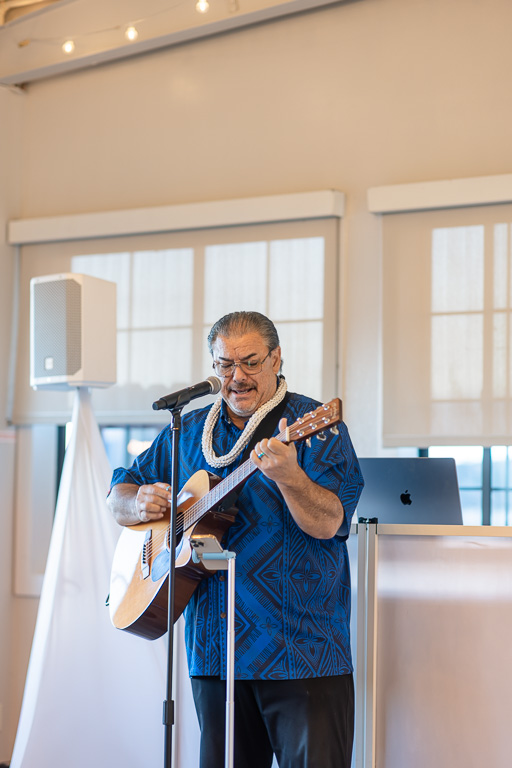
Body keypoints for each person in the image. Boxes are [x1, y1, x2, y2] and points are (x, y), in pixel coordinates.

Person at [107, 311, 364, 768]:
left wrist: (290, 478)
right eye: (225, 365)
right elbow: (119, 491)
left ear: (276, 358)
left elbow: (329, 522)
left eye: (250, 362)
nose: (237, 377)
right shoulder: (187, 431)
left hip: (302, 652)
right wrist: (135, 504)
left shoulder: (316, 426)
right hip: (214, 654)